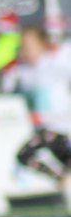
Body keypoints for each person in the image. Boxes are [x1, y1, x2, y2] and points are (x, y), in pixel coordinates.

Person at [9, 26, 71, 185]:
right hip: (44, 129)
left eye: (30, 47)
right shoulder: (23, 73)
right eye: (23, 47)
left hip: (59, 128)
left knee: (25, 154)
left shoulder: (54, 65)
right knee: (26, 156)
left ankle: (62, 177)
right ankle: (62, 177)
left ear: (43, 45)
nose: (26, 51)